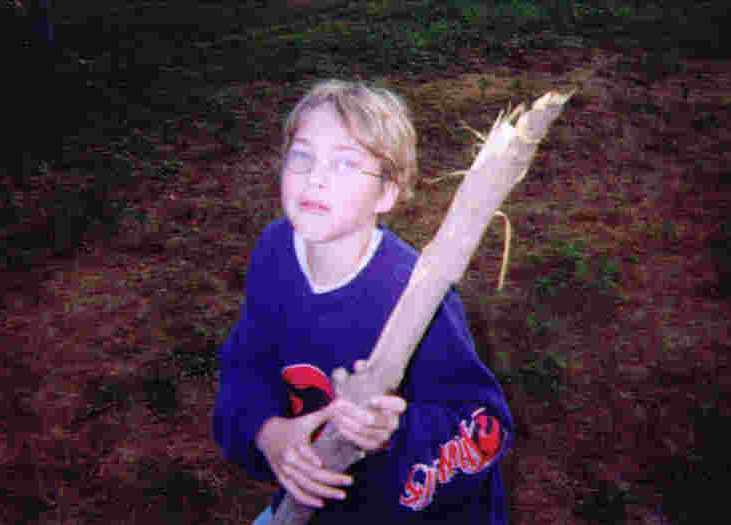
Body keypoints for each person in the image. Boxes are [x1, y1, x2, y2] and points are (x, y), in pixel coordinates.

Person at [213, 79, 514, 525]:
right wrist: (267, 431)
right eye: (302, 156)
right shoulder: (275, 250)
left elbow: (485, 429)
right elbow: (247, 362)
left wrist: (392, 435)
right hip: (311, 510)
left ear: (388, 192)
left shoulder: (415, 295)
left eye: (345, 164)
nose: (315, 176)